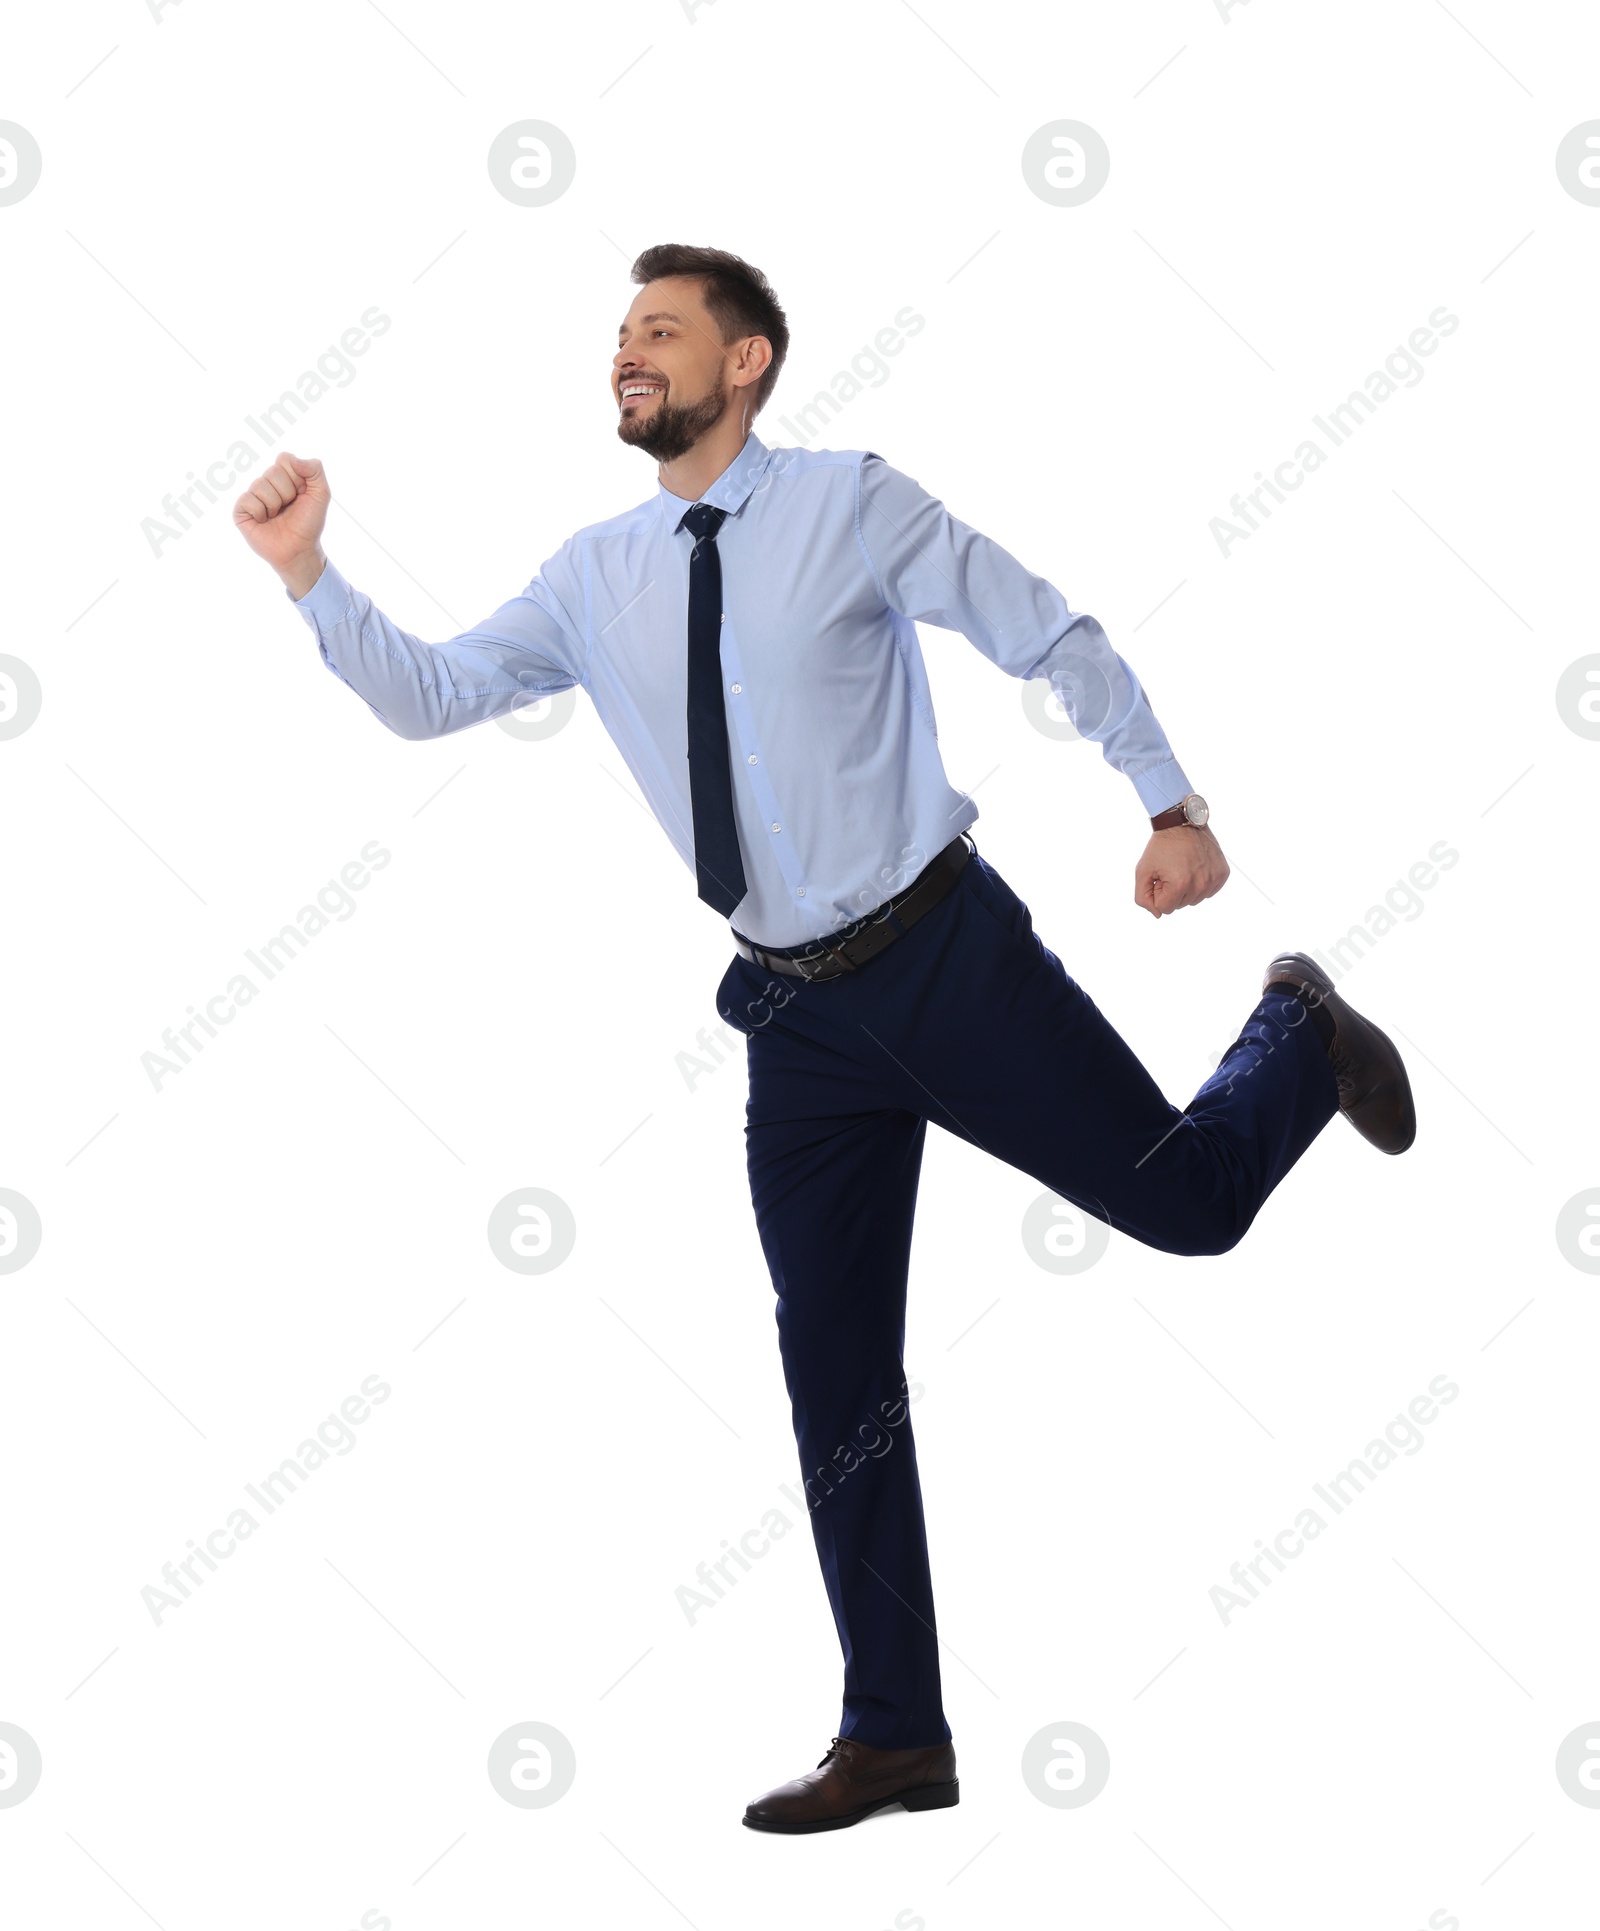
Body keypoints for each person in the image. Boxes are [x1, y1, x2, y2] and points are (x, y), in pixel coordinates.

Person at [235, 242, 1415, 1836]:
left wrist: (1168, 799)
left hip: (945, 957)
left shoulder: (850, 502)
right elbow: (433, 695)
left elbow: (1041, 629)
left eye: (662, 331)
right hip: (792, 1015)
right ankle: (896, 1732)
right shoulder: (593, 574)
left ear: (749, 365)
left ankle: (1295, 1029)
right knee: (835, 1370)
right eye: (619, 336)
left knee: (1189, 1207)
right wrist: (312, 573)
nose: (628, 355)